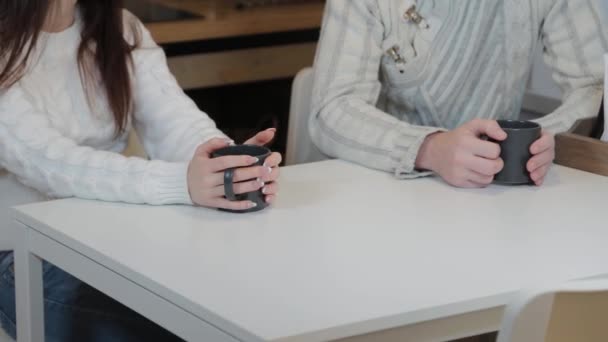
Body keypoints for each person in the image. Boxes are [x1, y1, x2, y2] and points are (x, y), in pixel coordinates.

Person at [0, 0, 281, 340]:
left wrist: (226, 162)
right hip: (19, 254)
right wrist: (183, 183)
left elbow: (176, 121)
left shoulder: (119, 26)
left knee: (235, 303)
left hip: (113, 238)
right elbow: (48, 161)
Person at [310, 0, 607, 188]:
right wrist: (429, 148)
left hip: (499, 196)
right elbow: (332, 109)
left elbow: (595, 87)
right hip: (393, 188)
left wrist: (545, 139)